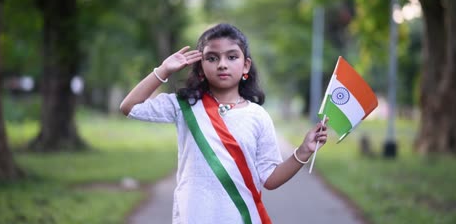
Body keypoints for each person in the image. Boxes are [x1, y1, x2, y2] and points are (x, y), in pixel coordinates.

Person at [120, 23, 328, 224]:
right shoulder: (184, 106)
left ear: (245, 65)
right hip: (192, 217)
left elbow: (270, 179)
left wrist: (303, 151)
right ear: (200, 67)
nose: (222, 64)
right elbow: (129, 107)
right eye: (211, 58)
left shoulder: (257, 116)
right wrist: (163, 70)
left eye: (232, 56)